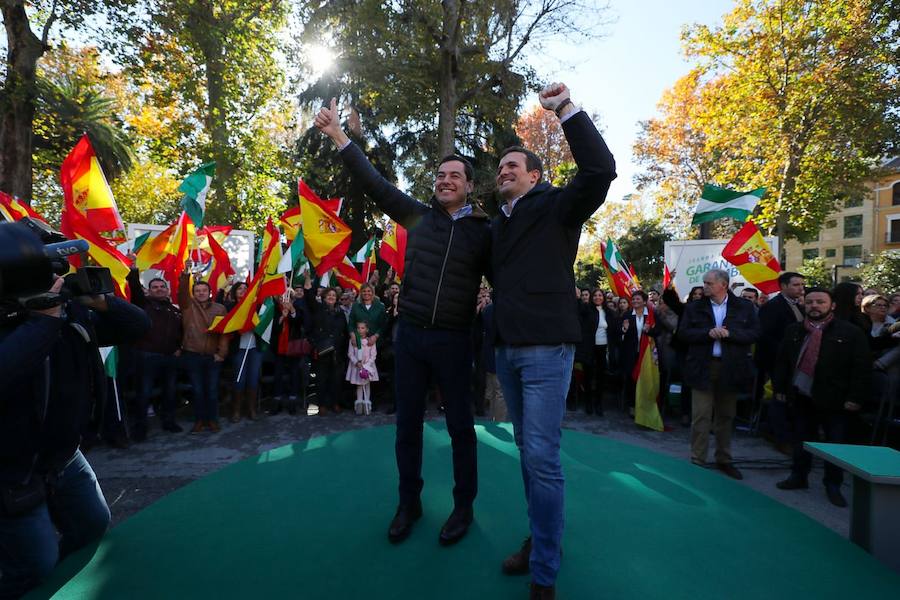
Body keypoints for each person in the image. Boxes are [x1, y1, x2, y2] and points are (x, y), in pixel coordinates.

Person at [315, 98, 491, 547]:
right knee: (406, 426)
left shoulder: (485, 232)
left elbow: (513, 272)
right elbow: (375, 183)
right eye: (439, 175)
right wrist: (339, 136)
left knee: (460, 430)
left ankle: (463, 506)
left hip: (454, 341)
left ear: (470, 186)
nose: (444, 180)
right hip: (411, 337)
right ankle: (408, 503)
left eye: (455, 176)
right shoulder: (417, 217)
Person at [490, 82, 616, 599]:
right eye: (499, 168)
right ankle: (541, 538)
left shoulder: (557, 208)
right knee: (527, 454)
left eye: (513, 166)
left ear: (536, 176)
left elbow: (600, 171)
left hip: (548, 351)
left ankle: (544, 570)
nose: (503, 171)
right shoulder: (495, 226)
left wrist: (565, 109)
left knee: (541, 456)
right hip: (506, 353)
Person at [0, 223, 150, 598]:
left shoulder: (67, 313)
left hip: (65, 456)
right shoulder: (32, 320)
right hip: (12, 471)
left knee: (91, 525)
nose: (57, 277)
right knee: (34, 562)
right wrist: (43, 318)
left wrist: (102, 302)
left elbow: (137, 326)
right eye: (46, 268)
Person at [772, 288, 870, 507]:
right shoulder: (794, 330)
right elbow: (782, 362)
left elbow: (861, 368)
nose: (814, 306)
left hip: (835, 399)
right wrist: (780, 388)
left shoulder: (851, 332)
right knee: (802, 440)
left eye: (820, 302)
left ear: (832, 305)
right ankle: (798, 476)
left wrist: (855, 397)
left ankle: (833, 484)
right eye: (810, 302)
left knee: (835, 444)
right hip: (800, 396)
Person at [677, 268, 759, 480]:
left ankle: (724, 459)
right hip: (702, 367)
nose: (704, 287)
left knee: (726, 416)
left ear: (723, 284)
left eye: (708, 283)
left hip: (731, 368)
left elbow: (754, 333)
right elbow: (683, 333)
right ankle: (697, 460)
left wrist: (730, 334)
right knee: (701, 417)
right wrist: (707, 333)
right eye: (704, 283)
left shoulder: (744, 307)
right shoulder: (694, 308)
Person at [127, 271, 184, 439]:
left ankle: (169, 422)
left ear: (167, 290)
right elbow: (135, 289)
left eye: (162, 287)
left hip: (170, 357)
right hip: (147, 356)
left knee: (170, 391)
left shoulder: (175, 310)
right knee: (143, 393)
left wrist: (179, 346)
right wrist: (133, 269)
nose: (159, 289)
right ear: (149, 291)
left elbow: (181, 331)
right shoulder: (142, 304)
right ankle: (140, 428)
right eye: (155, 287)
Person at [756, 272, 805, 451]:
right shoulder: (773, 306)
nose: (801, 288)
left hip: (795, 362)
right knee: (779, 397)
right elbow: (765, 335)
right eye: (796, 285)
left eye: (802, 284)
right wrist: (785, 354)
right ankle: (779, 437)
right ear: (783, 286)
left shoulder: (800, 306)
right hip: (777, 361)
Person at [178, 269, 229, 433]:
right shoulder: (187, 306)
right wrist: (186, 274)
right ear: (193, 293)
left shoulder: (220, 308)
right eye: (197, 291)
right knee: (198, 391)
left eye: (204, 290)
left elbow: (224, 333)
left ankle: (212, 420)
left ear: (210, 292)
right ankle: (200, 420)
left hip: (212, 357)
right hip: (192, 355)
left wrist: (221, 353)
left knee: (213, 391)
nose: (201, 293)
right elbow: (182, 292)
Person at [303, 276, 348, 415]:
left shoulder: (341, 313)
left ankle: (335, 403)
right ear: (324, 297)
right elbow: (309, 297)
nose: (331, 297)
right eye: (329, 295)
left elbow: (344, 331)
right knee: (321, 379)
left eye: (334, 295)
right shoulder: (318, 309)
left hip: (337, 352)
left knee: (336, 380)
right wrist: (308, 279)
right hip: (322, 351)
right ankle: (322, 405)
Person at [617, 291, 661, 416]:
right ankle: (632, 405)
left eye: (638, 299)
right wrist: (624, 329)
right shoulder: (627, 315)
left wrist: (650, 330)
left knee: (646, 378)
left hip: (646, 353)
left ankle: (645, 405)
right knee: (632, 379)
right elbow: (619, 334)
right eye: (633, 299)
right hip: (630, 353)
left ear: (644, 301)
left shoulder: (652, 315)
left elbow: (658, 331)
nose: (635, 301)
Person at [225, 282, 263, 422]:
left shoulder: (257, 307)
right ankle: (236, 410)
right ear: (234, 292)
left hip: (254, 348)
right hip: (239, 348)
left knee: (253, 379)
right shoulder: (229, 307)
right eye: (240, 288)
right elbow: (226, 327)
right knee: (239, 379)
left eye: (246, 289)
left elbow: (264, 324)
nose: (243, 290)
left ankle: (252, 409)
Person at [577, 288, 616, 416]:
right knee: (588, 377)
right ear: (592, 297)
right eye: (595, 295)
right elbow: (578, 308)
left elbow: (614, 329)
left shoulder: (608, 312)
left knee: (601, 377)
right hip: (589, 348)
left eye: (600, 295)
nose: (598, 297)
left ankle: (598, 404)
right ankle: (588, 403)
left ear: (603, 298)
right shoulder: (587, 310)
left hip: (603, 348)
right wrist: (577, 297)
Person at [347, 321, 379, 415]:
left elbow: (373, 355)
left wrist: (367, 365)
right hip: (357, 367)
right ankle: (359, 407)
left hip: (368, 367)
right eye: (358, 328)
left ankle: (367, 406)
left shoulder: (371, 341)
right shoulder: (353, 341)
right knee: (359, 385)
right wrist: (356, 362)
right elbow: (350, 353)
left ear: (367, 329)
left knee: (367, 384)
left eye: (362, 328)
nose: (360, 330)